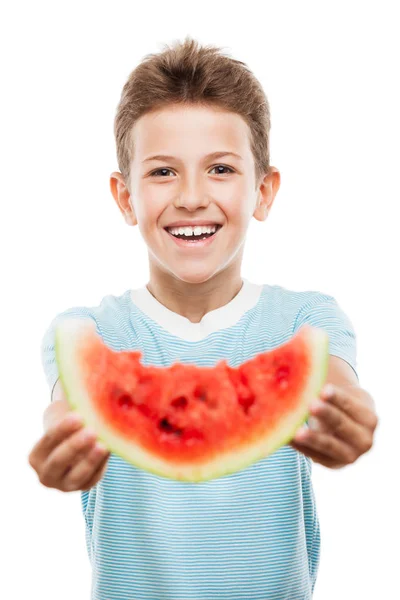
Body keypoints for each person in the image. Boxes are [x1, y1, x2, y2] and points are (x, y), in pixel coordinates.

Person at [28, 36, 378, 600]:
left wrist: (350, 417)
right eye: (163, 172)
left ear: (263, 192)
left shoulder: (306, 321)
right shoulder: (89, 332)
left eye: (220, 168)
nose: (191, 197)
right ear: (125, 198)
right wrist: (60, 443)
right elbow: (64, 410)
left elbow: (337, 388)